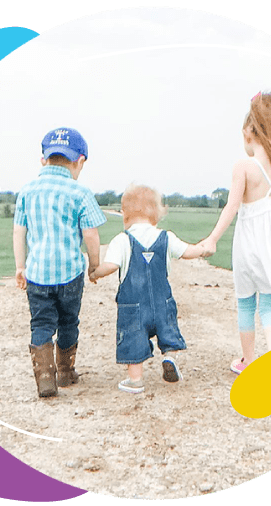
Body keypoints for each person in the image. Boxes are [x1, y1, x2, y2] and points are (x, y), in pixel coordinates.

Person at [200, 92, 271, 374]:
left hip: (247, 247)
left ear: (248, 132)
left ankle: (248, 361)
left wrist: (213, 239)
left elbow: (231, 208)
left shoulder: (244, 166)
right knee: (268, 307)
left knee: (245, 304)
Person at [13, 127, 107, 397]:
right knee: (68, 322)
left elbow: (20, 232)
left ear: (43, 160)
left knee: (41, 324)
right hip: (70, 274)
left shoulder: (27, 191)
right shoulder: (80, 192)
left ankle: (45, 376)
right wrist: (93, 265)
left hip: (37, 273)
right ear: (80, 161)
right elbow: (91, 234)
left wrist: (21, 267)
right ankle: (65, 372)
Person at [90, 185, 205, 393]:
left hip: (133, 306)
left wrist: (95, 272)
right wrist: (203, 249)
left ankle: (135, 380)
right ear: (156, 214)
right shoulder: (166, 237)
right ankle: (169, 357)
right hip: (163, 302)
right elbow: (187, 251)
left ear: (125, 214)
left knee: (133, 338)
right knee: (168, 331)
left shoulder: (122, 240)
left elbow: (111, 266)